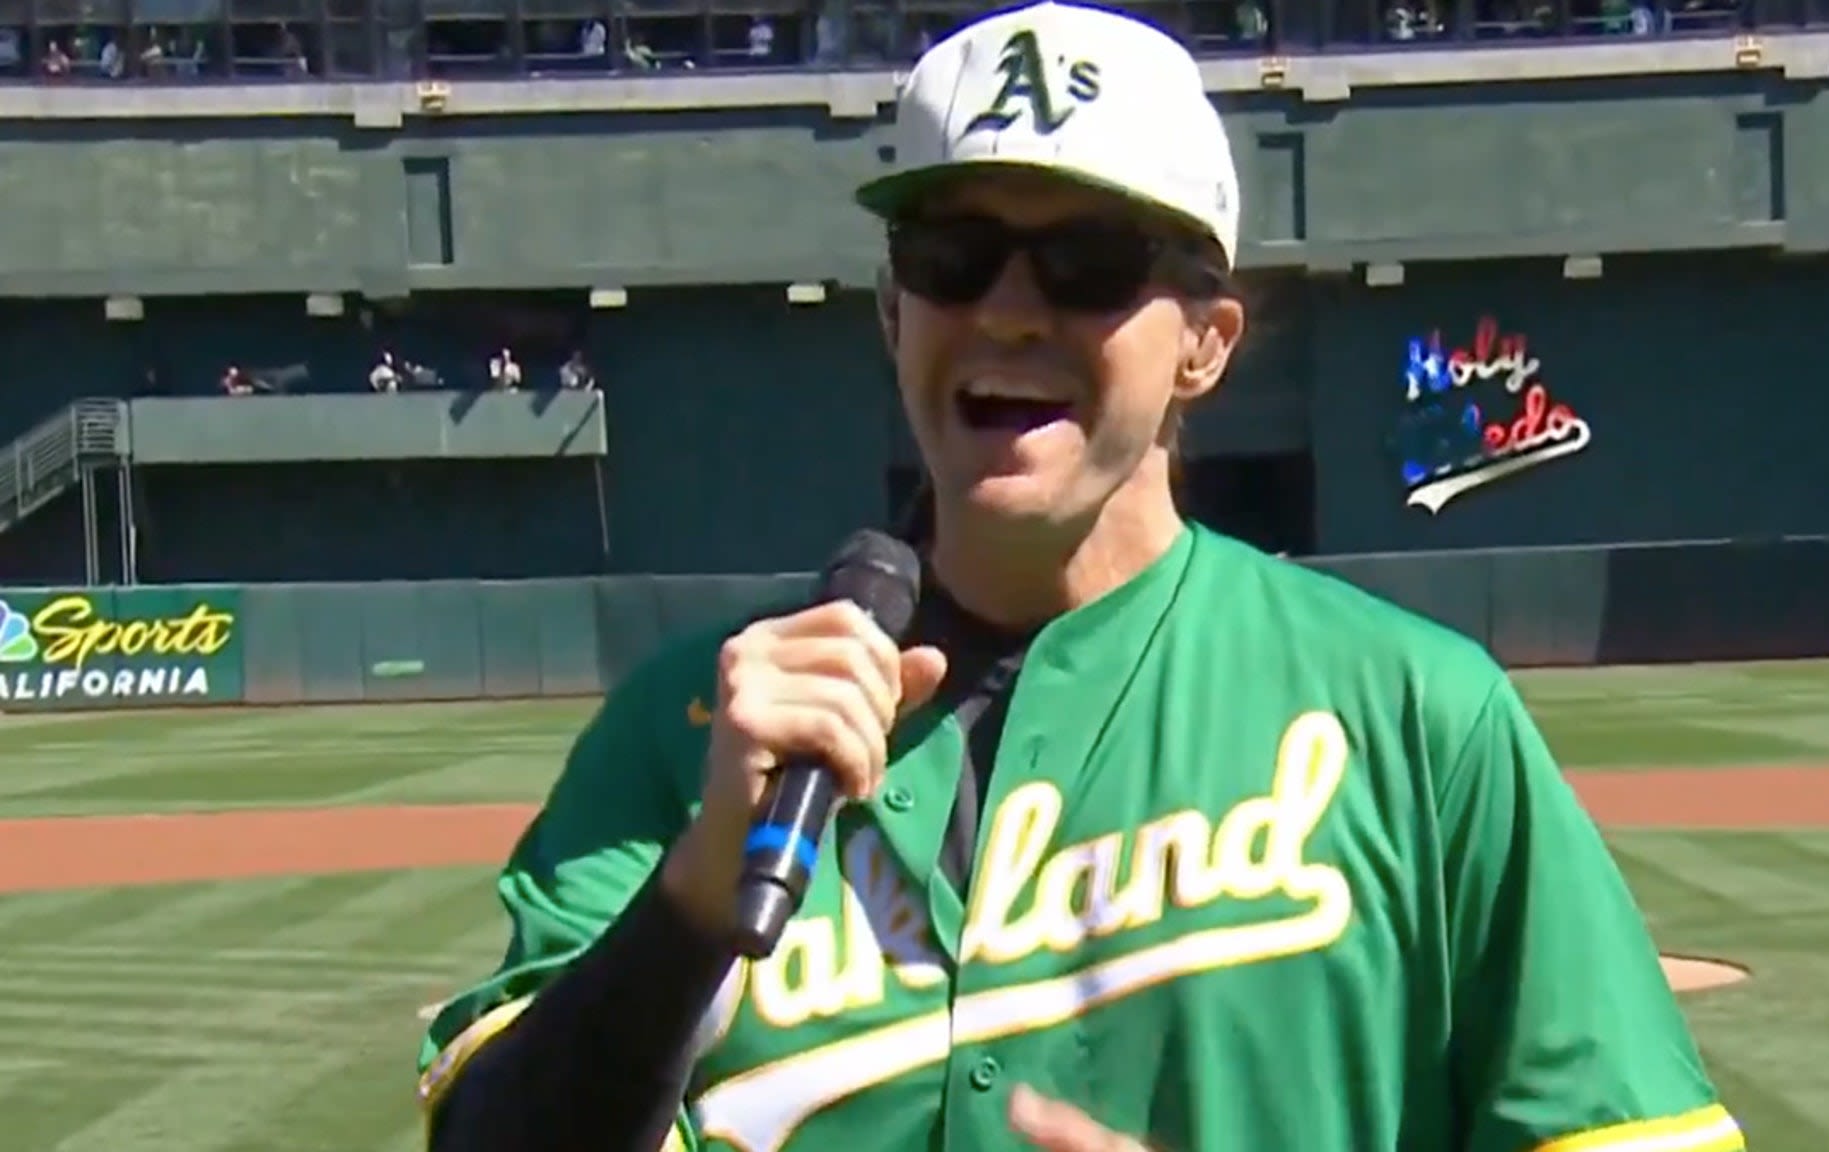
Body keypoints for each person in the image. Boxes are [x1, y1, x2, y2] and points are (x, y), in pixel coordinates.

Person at [415, 4, 1744, 1151]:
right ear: (893, 317)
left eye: (1090, 265)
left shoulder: (1418, 719)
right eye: (953, 256)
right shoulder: (686, 736)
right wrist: (697, 899)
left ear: (1205, 346)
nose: (1007, 309)